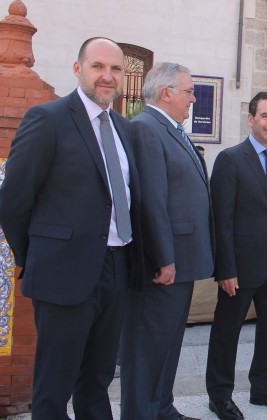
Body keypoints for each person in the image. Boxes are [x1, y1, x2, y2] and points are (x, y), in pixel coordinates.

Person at [0, 37, 143, 418]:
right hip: (63, 271)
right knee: (54, 384)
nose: (107, 76)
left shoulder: (122, 129)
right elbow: (13, 201)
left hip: (116, 267)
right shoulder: (47, 120)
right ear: (78, 70)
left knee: (97, 379)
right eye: (98, 67)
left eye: (116, 69)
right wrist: (37, 258)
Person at [120, 62, 214, 420]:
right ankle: (141, 413)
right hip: (165, 263)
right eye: (189, 91)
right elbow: (152, 201)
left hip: (183, 258)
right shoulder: (147, 128)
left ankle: (161, 407)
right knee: (147, 346)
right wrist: (163, 258)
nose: (193, 98)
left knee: (169, 342)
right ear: (166, 93)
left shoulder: (170, 128)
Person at [206, 92, 267, 418]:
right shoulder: (231, 159)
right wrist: (226, 269)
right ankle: (219, 396)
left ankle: (263, 388)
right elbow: (222, 220)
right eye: (265, 116)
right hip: (240, 267)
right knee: (226, 333)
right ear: (251, 119)